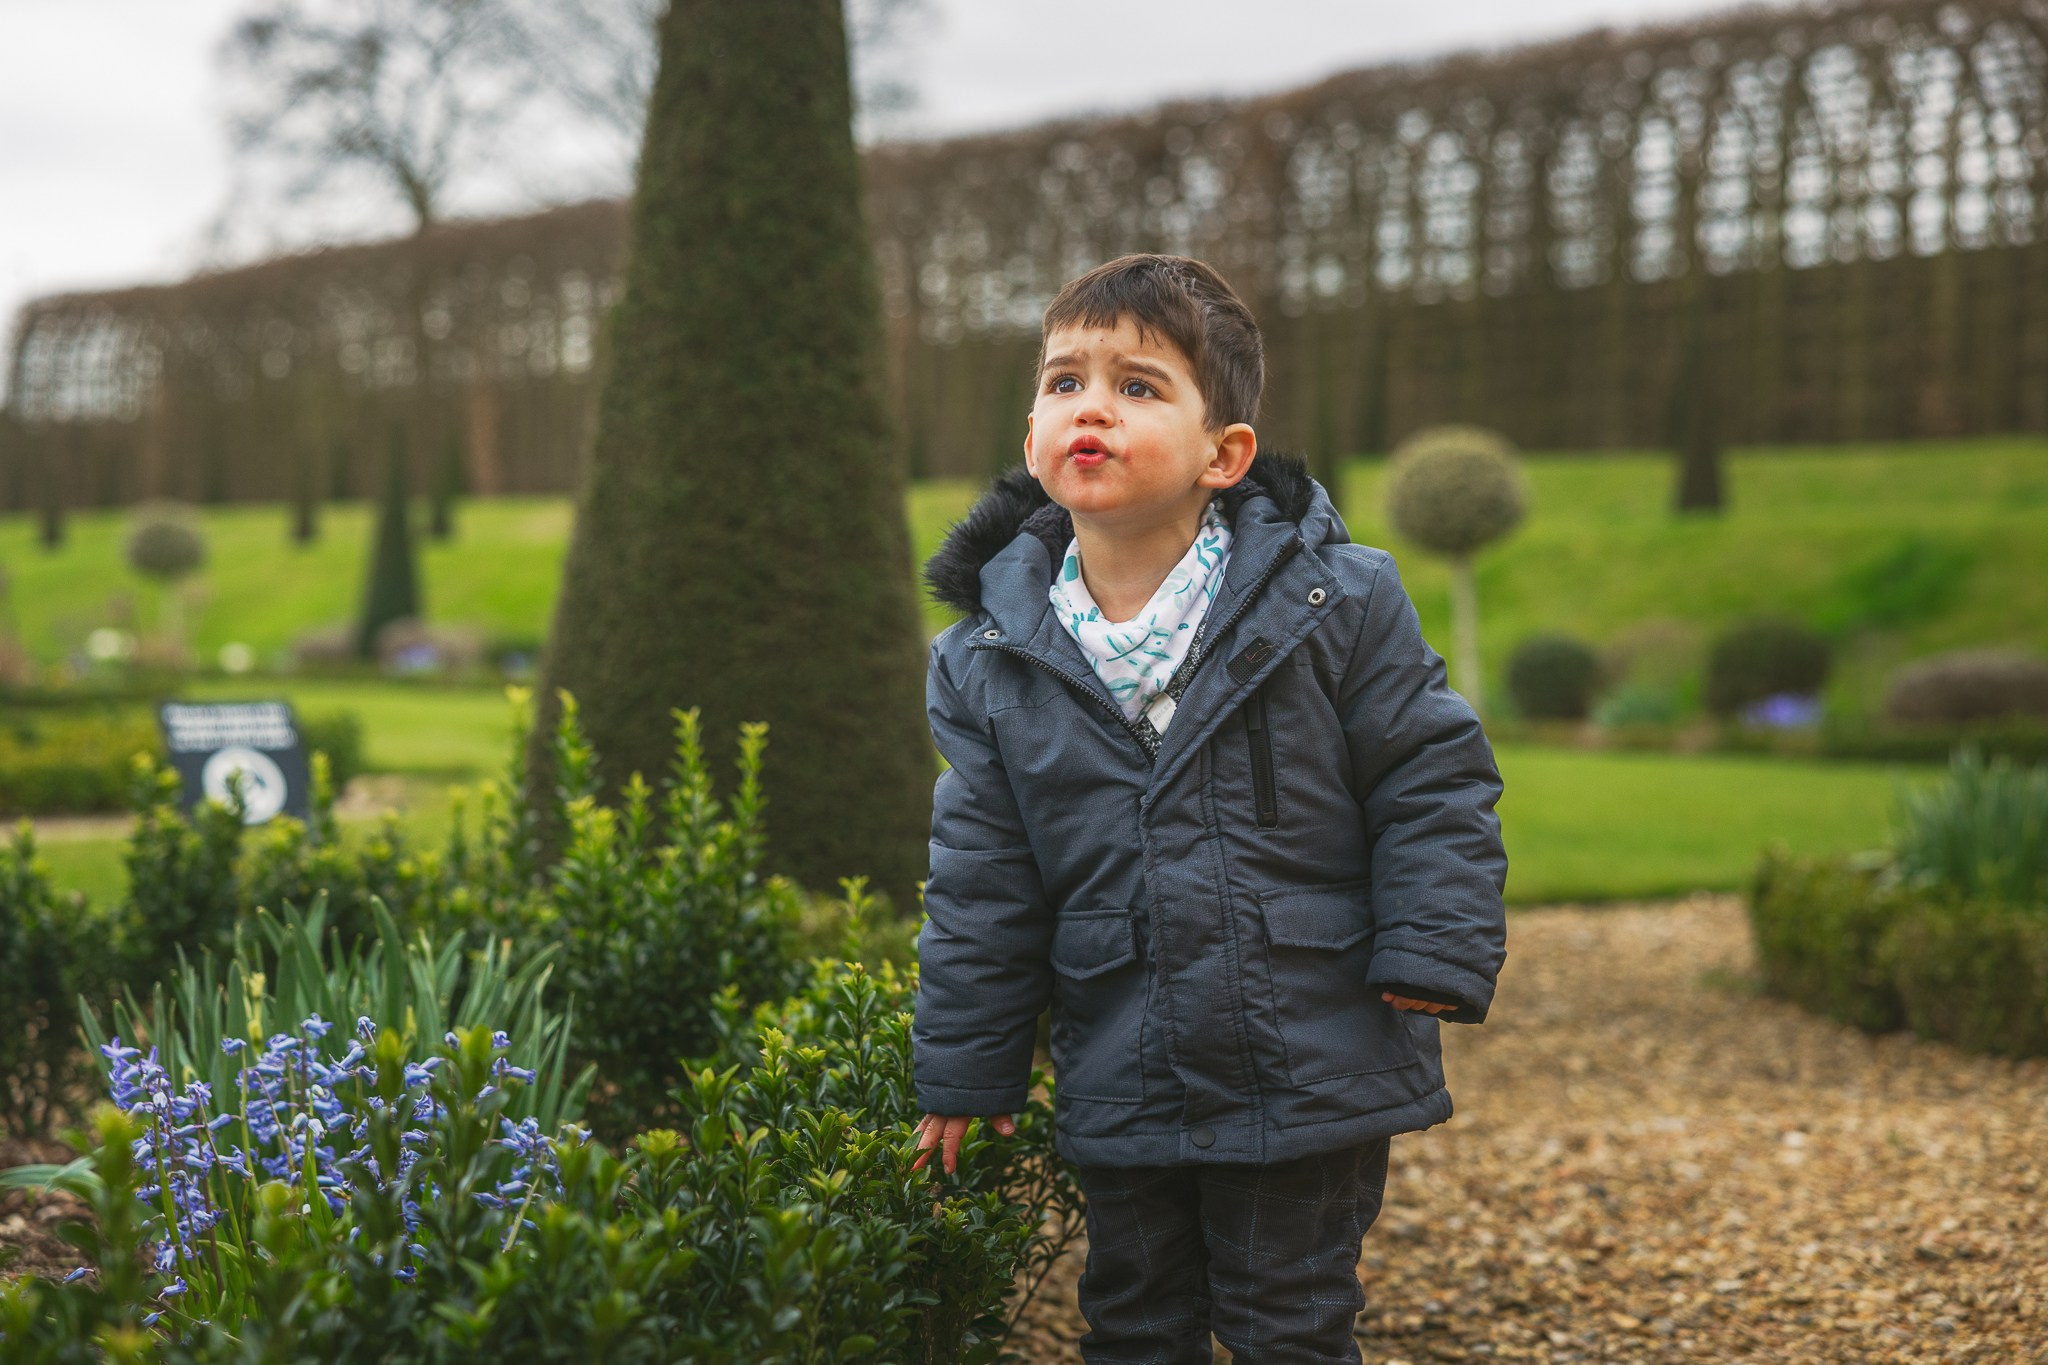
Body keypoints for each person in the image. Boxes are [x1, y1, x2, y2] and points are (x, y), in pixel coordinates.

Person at [910, 252, 1508, 1363]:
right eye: (1064, 382)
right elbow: (982, 880)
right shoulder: (985, 659)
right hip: (1121, 1049)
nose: (1091, 406)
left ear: (1222, 455)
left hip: (1306, 1042)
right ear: (1034, 438)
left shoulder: (1337, 601)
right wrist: (966, 1066)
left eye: (1137, 386)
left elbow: (1430, 779)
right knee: (1135, 1320)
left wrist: (1434, 944)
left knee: (1288, 1317)